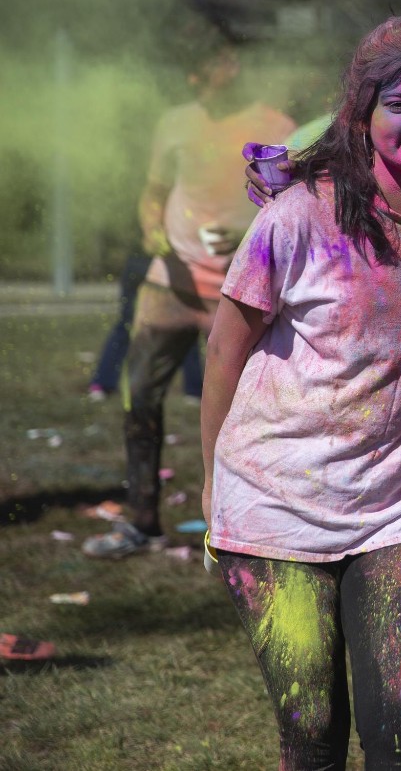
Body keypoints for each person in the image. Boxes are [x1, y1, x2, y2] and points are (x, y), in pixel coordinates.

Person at [202, 16, 401, 769]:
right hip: (272, 507)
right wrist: (210, 482)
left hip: (397, 511)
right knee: (313, 735)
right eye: (399, 103)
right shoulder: (299, 215)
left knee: (399, 739)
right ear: (361, 117)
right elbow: (226, 349)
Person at [82, 39, 295, 558]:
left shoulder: (278, 127)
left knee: (258, 412)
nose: (195, 82)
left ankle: (256, 524)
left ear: (230, 63)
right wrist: (151, 228)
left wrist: (248, 233)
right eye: (190, 74)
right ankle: (142, 520)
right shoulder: (175, 122)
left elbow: (297, 207)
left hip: (243, 289)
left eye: (203, 70)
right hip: (171, 282)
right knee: (139, 396)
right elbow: (154, 193)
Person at [87, 245, 202, 403]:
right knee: (184, 326)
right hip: (169, 262)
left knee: (128, 325)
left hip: (143, 260)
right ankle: (194, 390)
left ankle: (102, 384)